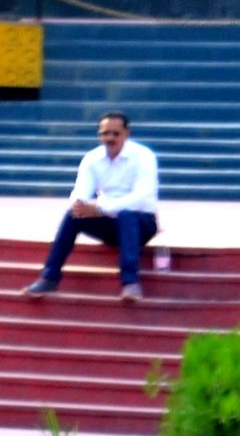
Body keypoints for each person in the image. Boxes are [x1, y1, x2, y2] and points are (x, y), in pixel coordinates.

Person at [21, 111, 159, 301]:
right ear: (99, 135)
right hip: (111, 224)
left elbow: (141, 197)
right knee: (73, 215)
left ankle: (131, 283)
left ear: (127, 133)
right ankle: (49, 277)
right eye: (105, 134)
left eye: (115, 134)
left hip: (142, 223)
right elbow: (80, 190)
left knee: (127, 214)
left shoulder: (144, 157)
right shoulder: (92, 159)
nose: (110, 138)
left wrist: (101, 208)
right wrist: (79, 205)